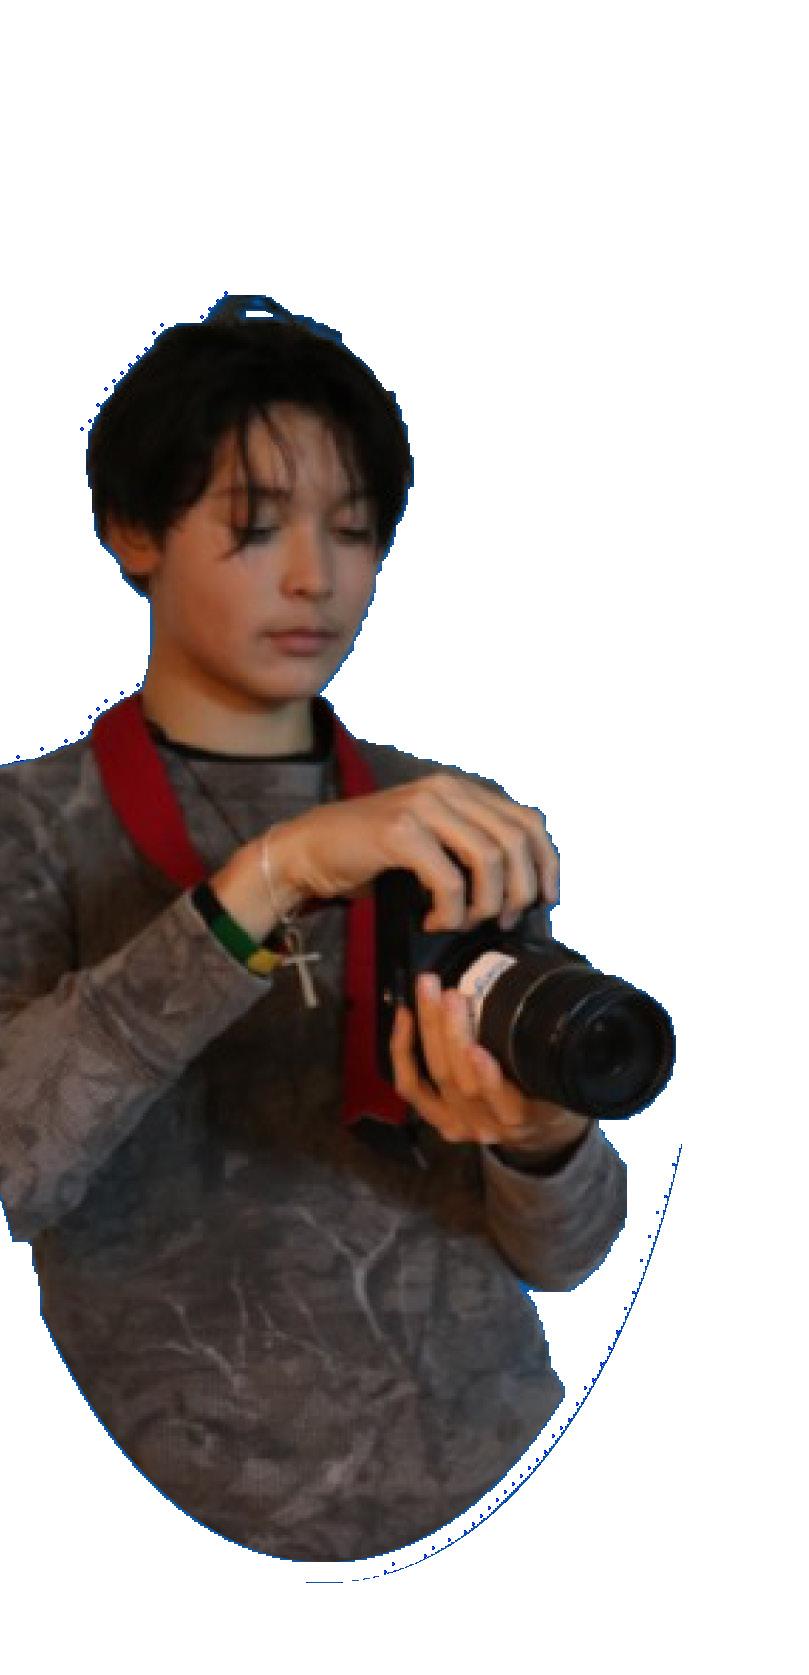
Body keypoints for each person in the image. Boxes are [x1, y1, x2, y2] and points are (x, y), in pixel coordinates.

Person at [0, 293, 627, 1563]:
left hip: (512, 1464)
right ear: (132, 531)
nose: (315, 578)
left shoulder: (447, 814)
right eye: (255, 526)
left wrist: (541, 1138)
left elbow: (564, 1254)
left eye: (353, 531)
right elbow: (20, 1158)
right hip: (182, 1520)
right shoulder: (32, 826)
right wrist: (278, 869)